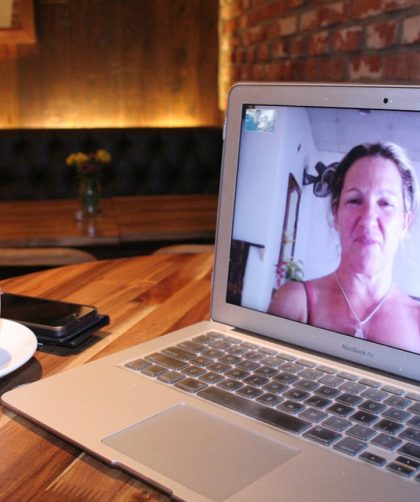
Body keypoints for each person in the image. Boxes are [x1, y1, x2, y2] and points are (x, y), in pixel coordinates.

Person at [268, 142, 420, 353]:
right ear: (336, 214)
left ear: (405, 222)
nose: (368, 220)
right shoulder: (295, 304)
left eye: (385, 203)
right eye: (355, 200)